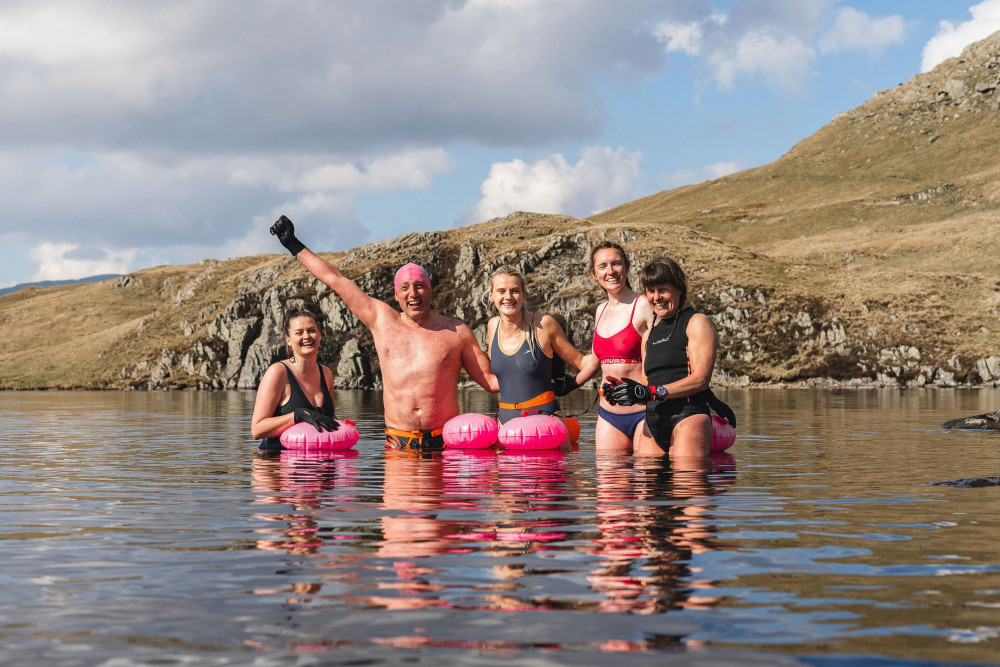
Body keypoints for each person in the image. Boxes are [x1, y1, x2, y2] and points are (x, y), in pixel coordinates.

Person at [270, 215, 498, 451]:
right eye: (405, 288)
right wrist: (293, 244)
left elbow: (491, 382)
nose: (413, 293)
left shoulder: (457, 332)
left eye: (420, 286)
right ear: (396, 294)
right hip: (398, 442)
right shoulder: (381, 320)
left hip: (445, 444)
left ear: (429, 289)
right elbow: (335, 279)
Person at [605, 257, 730, 460]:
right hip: (652, 423)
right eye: (651, 291)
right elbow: (647, 383)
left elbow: (700, 379)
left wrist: (653, 392)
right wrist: (625, 390)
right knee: (647, 491)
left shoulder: (696, 322)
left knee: (684, 489)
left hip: (688, 416)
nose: (657, 297)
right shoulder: (648, 334)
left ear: (679, 289)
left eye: (663, 290)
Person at [484, 267, 598, 428]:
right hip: (505, 422)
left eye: (515, 291)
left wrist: (574, 383)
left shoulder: (544, 324)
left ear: (524, 295)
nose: (508, 297)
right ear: (491, 295)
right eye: (501, 291)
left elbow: (581, 362)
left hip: (546, 421)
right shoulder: (492, 326)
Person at [588, 242, 655, 452]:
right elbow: (596, 359)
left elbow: (663, 354)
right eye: (603, 266)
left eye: (616, 264)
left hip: (644, 412)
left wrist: (644, 390)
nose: (610, 271)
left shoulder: (644, 304)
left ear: (627, 266)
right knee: (609, 484)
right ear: (594, 273)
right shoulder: (600, 310)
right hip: (609, 415)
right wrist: (572, 383)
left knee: (647, 480)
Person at [251, 309, 340, 451]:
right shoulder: (278, 373)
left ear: (320, 335)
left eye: (311, 331)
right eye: (299, 333)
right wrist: (298, 415)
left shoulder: (326, 373)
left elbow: (330, 418)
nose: (307, 337)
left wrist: (341, 426)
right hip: (277, 465)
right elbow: (256, 430)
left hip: (319, 465)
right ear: (288, 340)